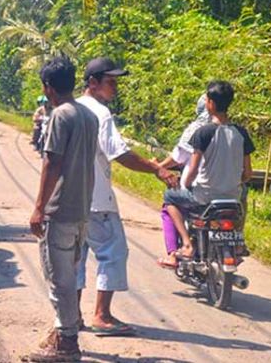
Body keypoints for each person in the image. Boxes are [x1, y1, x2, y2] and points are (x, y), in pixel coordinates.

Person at [74, 57, 179, 336]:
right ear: (93, 83)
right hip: (98, 201)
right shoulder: (100, 113)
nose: (115, 89)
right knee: (113, 253)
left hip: (72, 201)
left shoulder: (69, 109)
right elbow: (119, 154)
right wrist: (157, 169)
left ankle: (72, 316)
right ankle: (102, 315)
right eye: (111, 82)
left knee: (76, 257)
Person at [27, 57, 98, 362]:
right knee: (69, 272)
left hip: (60, 209)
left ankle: (67, 343)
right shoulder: (88, 115)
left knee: (60, 279)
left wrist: (39, 207)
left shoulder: (60, 116)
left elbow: (52, 163)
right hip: (82, 209)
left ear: (48, 87)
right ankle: (62, 333)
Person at [159, 80, 255, 268]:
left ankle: (187, 245)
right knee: (243, 193)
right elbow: (248, 173)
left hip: (204, 196)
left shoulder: (203, 132)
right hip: (232, 197)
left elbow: (192, 170)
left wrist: (185, 185)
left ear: (209, 103)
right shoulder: (242, 133)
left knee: (169, 198)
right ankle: (238, 242)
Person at [154, 94, 210, 263]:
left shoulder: (198, 129)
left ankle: (180, 249)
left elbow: (180, 157)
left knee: (169, 200)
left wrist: (159, 167)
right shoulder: (232, 130)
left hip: (201, 190)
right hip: (229, 192)